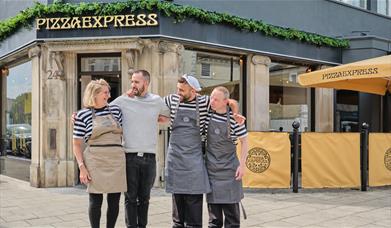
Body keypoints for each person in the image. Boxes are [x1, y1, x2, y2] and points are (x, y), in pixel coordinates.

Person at [163, 75, 245, 228]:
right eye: (177, 89)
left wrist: (235, 113)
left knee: (195, 203)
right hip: (175, 159)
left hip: (194, 160)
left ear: (193, 91)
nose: (178, 93)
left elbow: (228, 101)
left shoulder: (205, 101)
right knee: (177, 203)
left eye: (182, 90)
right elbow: (153, 106)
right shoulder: (171, 100)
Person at [112, 70, 170, 228]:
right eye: (132, 81)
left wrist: (156, 119)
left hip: (150, 158)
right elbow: (103, 111)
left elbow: (168, 117)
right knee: (130, 198)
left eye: (136, 82)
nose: (133, 85)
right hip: (129, 157)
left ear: (146, 83)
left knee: (145, 198)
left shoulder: (156, 100)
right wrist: (78, 115)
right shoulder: (124, 100)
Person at [73, 79, 127, 228]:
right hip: (95, 160)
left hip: (116, 159)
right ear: (94, 94)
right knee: (95, 201)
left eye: (108, 92)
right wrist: (82, 167)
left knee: (114, 200)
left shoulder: (116, 110)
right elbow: (76, 144)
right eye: (105, 92)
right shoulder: (82, 115)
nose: (108, 96)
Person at [205, 86, 248, 228]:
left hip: (230, 171)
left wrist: (242, 166)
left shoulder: (236, 120)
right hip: (211, 171)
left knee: (232, 219)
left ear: (225, 102)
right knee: (214, 219)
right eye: (211, 97)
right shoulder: (207, 116)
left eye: (216, 99)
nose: (212, 101)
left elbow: (244, 142)